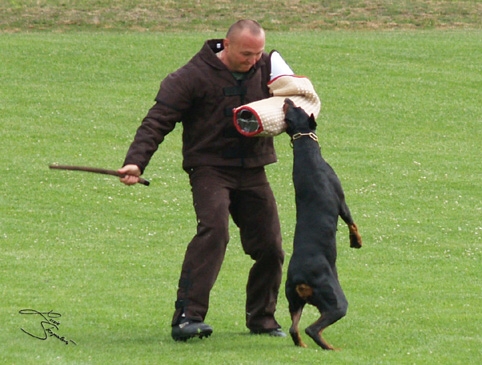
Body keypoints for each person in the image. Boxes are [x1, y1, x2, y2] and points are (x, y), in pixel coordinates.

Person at [118, 19, 286, 341]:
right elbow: (157, 121)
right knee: (214, 231)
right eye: (246, 54)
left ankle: (262, 319)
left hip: (253, 169)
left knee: (270, 246)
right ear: (227, 44)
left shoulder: (268, 66)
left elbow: (296, 97)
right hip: (210, 168)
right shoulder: (191, 76)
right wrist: (135, 162)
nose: (254, 61)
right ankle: (187, 317)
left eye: (258, 53)